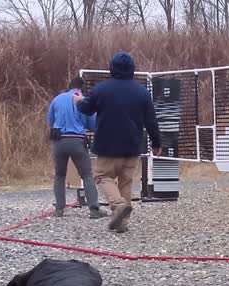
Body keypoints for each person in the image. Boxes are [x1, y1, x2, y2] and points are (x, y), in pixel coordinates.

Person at [74, 51, 162, 233]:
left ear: (111, 68)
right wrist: (156, 143)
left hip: (107, 145)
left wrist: (78, 100)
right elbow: (151, 121)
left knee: (102, 176)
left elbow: (87, 109)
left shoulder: (101, 89)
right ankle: (122, 222)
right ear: (132, 69)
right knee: (126, 182)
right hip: (132, 146)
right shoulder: (142, 91)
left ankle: (118, 205)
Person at [47, 76, 108, 219]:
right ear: (82, 87)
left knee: (60, 175)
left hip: (59, 141)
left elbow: (50, 121)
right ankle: (94, 209)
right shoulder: (83, 100)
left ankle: (59, 209)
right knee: (86, 175)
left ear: (69, 86)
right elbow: (92, 125)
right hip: (77, 141)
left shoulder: (57, 99)